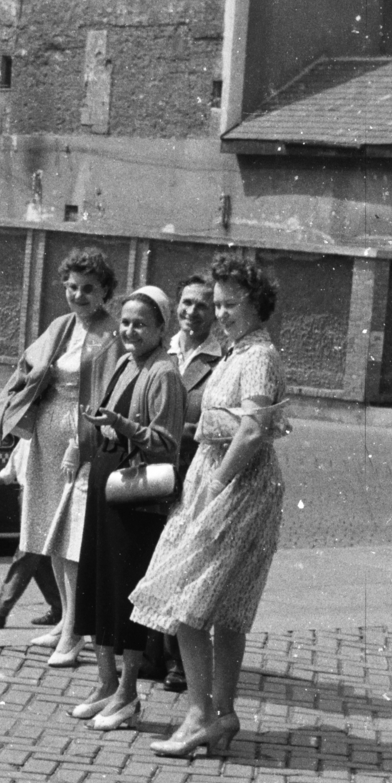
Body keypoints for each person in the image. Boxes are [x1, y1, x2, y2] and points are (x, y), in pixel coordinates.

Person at [130, 255, 289, 758]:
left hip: (233, 484)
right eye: (216, 304)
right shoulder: (237, 353)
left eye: (229, 304)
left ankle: (202, 715)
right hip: (217, 474)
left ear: (256, 304)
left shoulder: (259, 356)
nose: (220, 314)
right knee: (219, 607)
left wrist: (216, 482)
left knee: (189, 601)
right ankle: (221, 712)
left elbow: (254, 428)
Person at [0, 246, 120, 667]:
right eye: (72, 287)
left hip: (80, 440)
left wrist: (83, 440)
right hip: (47, 436)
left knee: (73, 537)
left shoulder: (111, 336)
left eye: (88, 289)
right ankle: (66, 618)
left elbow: (106, 394)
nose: (79, 296)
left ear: (105, 292)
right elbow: (27, 368)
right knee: (50, 532)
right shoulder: (61, 326)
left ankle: (75, 632)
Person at [70, 286, 185, 730]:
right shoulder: (123, 362)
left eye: (141, 324)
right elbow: (109, 423)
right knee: (99, 585)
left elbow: (166, 443)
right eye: (126, 322)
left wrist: (122, 426)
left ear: (161, 329)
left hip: (135, 497)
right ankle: (104, 683)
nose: (131, 330)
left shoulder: (163, 374)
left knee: (125, 592)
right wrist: (103, 428)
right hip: (106, 485)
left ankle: (129, 692)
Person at [162, 276, 223, 691]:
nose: (191, 312)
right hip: (151, 471)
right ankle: (154, 652)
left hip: (192, 473)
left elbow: (216, 419)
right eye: (186, 303)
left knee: (185, 566)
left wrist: (172, 429)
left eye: (202, 305)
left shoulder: (220, 359)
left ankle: (181, 663)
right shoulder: (162, 350)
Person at [0, 441, 61, 629]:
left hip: (42, 495)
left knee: (28, 550)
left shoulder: (43, 432)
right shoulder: (25, 437)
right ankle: (59, 607)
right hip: (26, 495)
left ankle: (0, 610)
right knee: (39, 557)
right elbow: (13, 466)